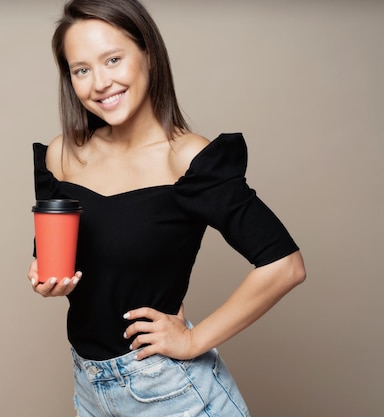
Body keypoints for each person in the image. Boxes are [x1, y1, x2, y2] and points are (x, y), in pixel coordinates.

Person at [27, 0, 306, 415]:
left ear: (149, 56)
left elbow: (285, 265)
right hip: (89, 387)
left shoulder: (187, 159)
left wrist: (194, 339)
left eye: (114, 59)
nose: (100, 82)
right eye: (81, 69)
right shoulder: (62, 155)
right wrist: (45, 275)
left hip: (167, 389)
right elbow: (54, 254)